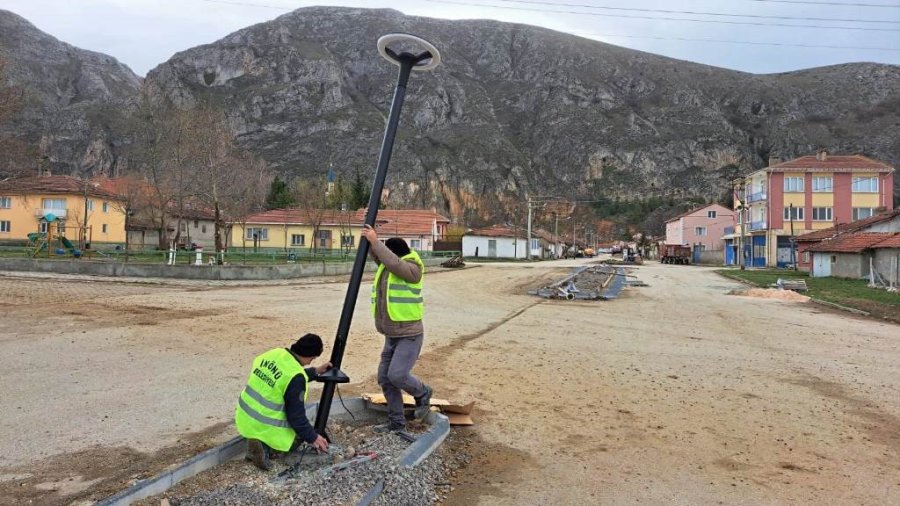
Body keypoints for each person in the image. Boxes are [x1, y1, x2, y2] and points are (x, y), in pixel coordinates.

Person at [360, 224, 433, 433]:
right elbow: (381, 257)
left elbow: (392, 261)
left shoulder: (412, 269)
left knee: (397, 375)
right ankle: (396, 423)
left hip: (409, 335)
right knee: (385, 378)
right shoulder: (388, 266)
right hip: (391, 335)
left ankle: (422, 392)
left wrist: (376, 241)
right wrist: (368, 240)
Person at [235, 333, 331, 470]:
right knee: (300, 434)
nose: (311, 362)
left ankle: (254, 443)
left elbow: (284, 378)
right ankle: (267, 448)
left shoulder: (274, 354)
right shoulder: (296, 378)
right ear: (311, 356)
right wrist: (313, 437)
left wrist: (315, 372)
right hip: (266, 426)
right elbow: (297, 418)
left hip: (246, 419)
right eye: (314, 358)